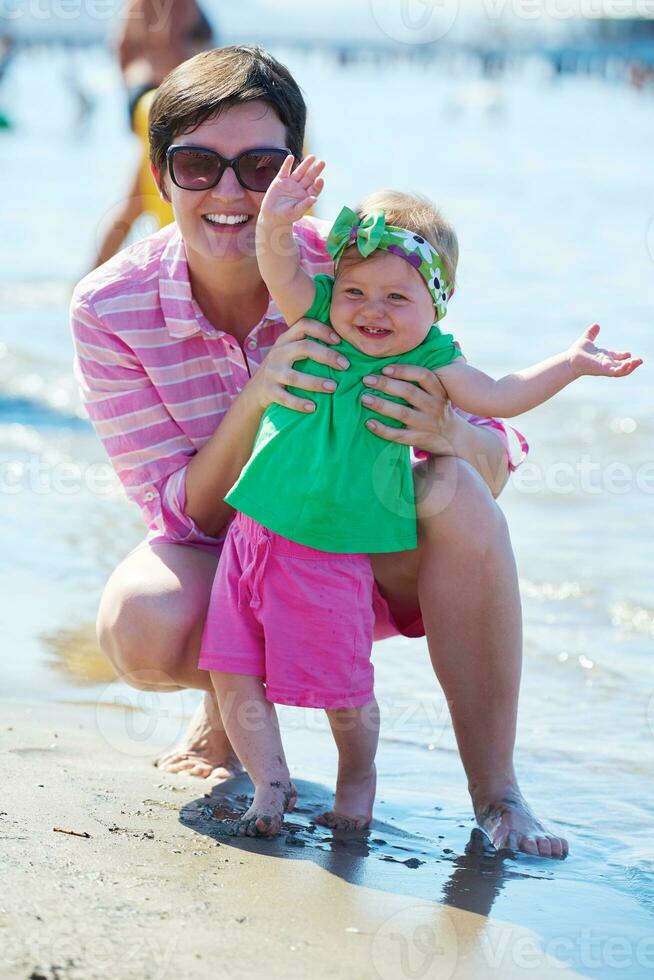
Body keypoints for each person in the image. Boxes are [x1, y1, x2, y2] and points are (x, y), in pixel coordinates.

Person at [72, 45, 566, 858]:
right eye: (198, 164)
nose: (230, 194)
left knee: (457, 492)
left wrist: (449, 432)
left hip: (355, 553)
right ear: (160, 178)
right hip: (234, 562)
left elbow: (498, 453)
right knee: (142, 619)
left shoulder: (355, 271)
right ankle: (229, 713)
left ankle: (499, 793)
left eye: (258, 166)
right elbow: (180, 514)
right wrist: (260, 394)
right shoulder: (110, 308)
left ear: (293, 172)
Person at [198, 156, 642, 837]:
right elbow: (279, 263)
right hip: (254, 532)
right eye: (357, 291)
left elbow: (502, 395)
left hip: (334, 546)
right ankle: (271, 784)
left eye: (397, 298)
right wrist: (275, 220)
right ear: (334, 287)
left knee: (344, 691)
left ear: (435, 305)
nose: (371, 309)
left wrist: (570, 366)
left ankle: (357, 778)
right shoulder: (314, 317)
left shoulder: (430, 361)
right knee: (231, 667)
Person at [91, 0, 213, 269]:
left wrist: (133, 84)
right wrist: (194, 91)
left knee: (137, 200)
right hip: (166, 99)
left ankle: (90, 278)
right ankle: (174, 273)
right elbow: (165, 41)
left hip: (146, 96)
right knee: (157, 195)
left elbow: (120, 46)